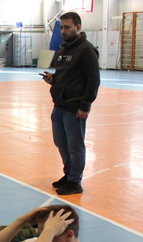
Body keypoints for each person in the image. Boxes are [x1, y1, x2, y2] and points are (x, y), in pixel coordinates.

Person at [41, 11, 100, 196]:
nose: (64, 31)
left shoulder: (86, 50)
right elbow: (66, 74)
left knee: (75, 146)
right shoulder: (63, 49)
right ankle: (68, 175)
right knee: (61, 143)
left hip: (74, 108)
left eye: (67, 27)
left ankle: (75, 181)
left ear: (78, 27)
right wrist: (54, 79)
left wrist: (85, 106)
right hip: (59, 105)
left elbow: (93, 80)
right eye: (61, 27)